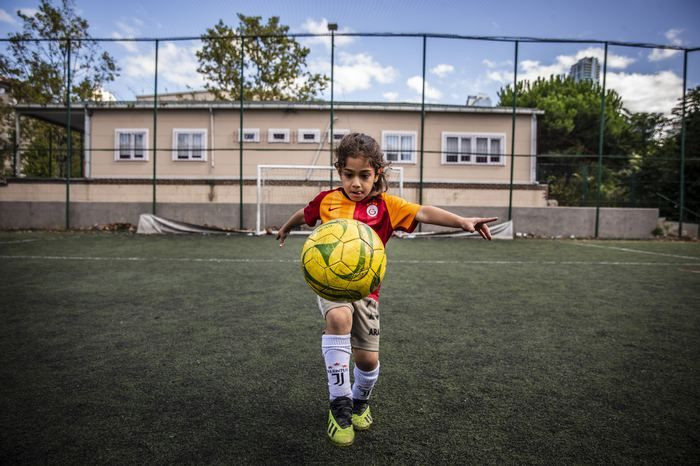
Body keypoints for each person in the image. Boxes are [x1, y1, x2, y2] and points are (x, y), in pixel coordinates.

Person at [277, 132, 497, 447]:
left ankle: (359, 401)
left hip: (367, 291)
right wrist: (287, 226)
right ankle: (338, 404)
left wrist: (462, 220)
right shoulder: (327, 201)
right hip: (331, 286)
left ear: (377, 173)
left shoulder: (387, 207)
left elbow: (423, 212)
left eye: (364, 176)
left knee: (367, 360)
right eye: (349, 175)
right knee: (338, 318)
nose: (356, 183)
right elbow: (305, 213)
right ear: (339, 171)